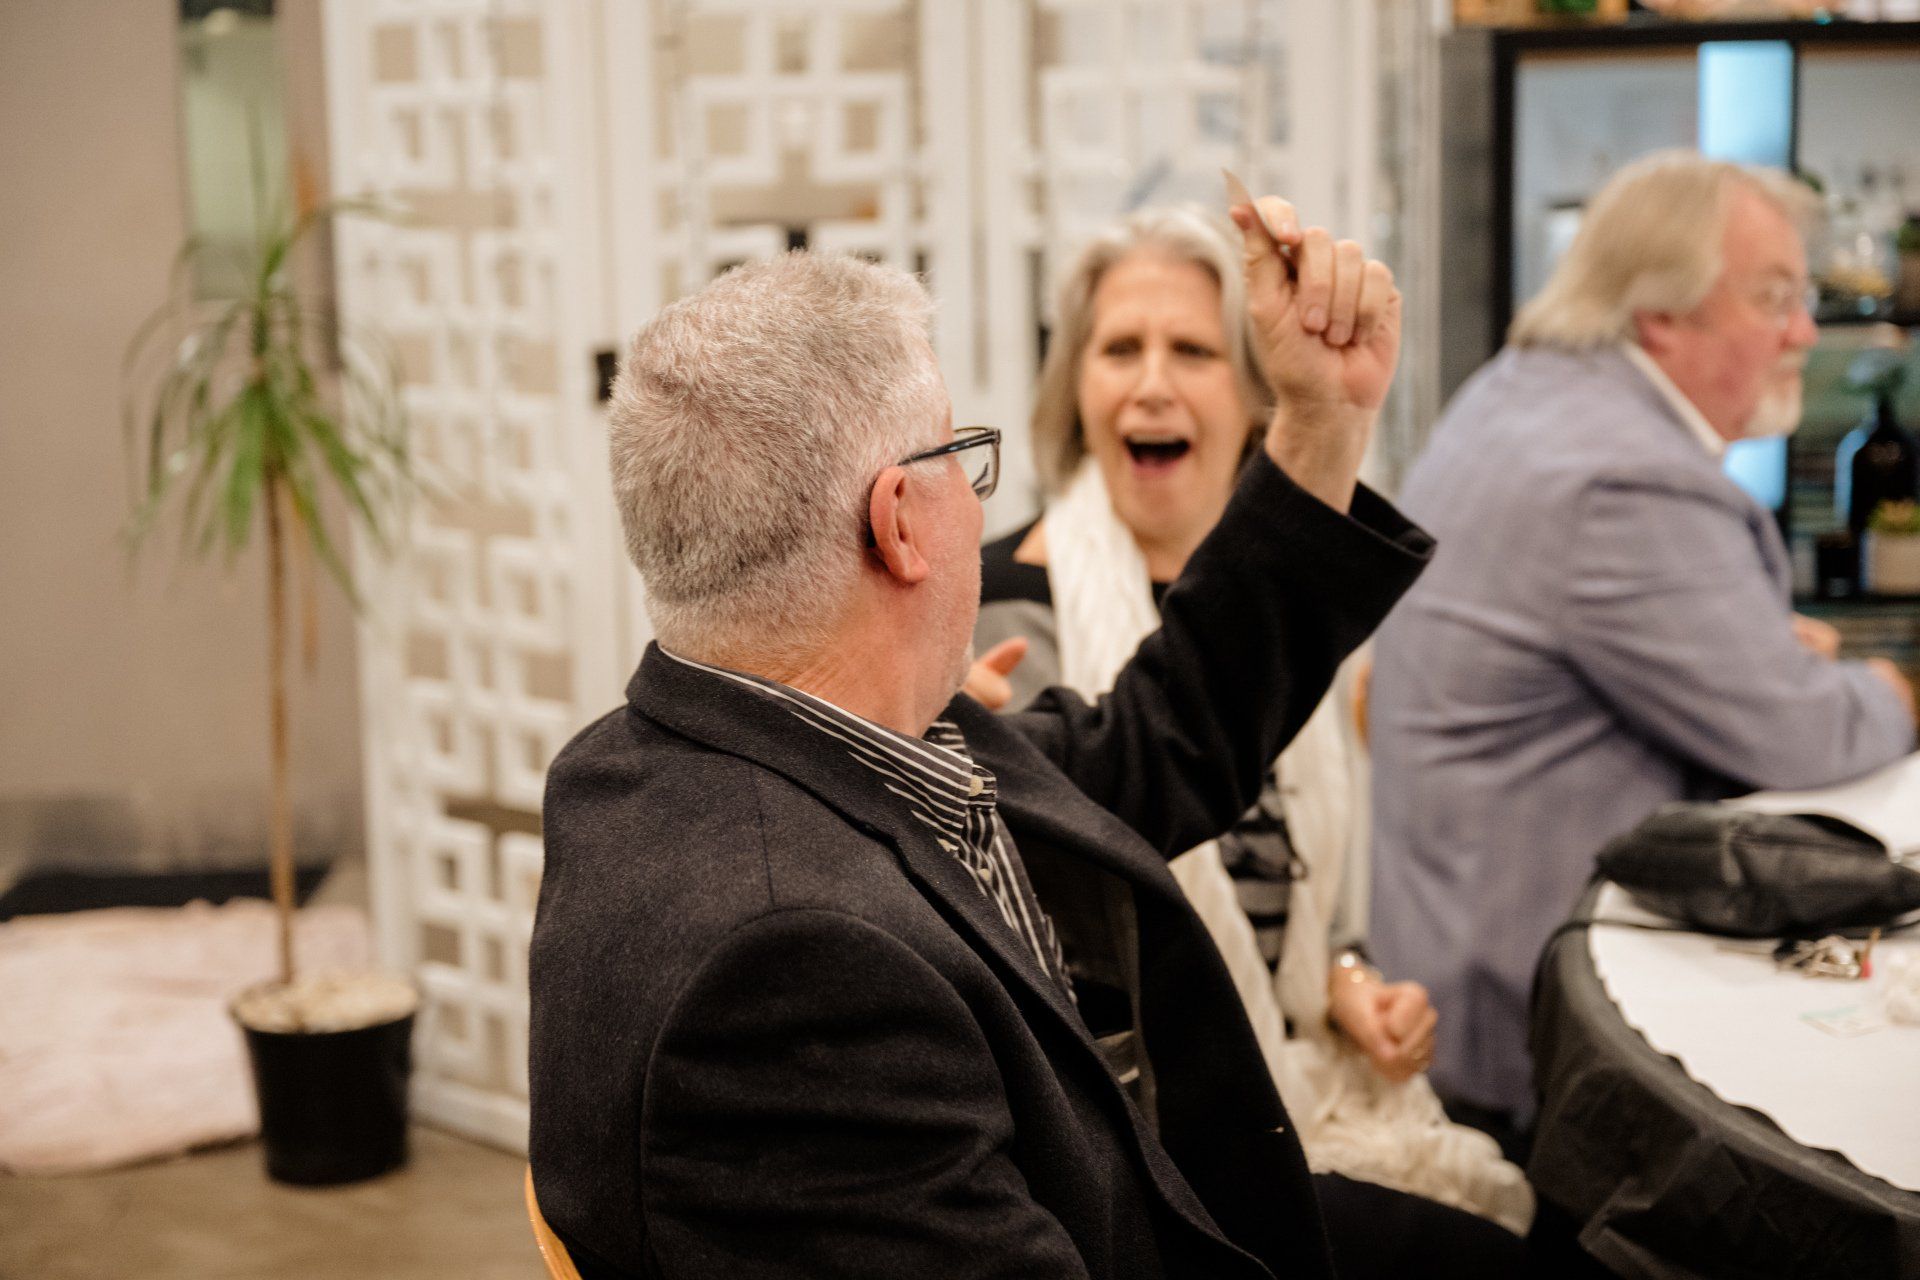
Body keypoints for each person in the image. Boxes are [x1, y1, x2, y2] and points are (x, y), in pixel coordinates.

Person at [529, 188, 1428, 1280]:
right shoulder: (795, 971)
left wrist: (1323, 419)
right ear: (901, 521)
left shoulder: (731, 742)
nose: (981, 497)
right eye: (960, 451)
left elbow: (1159, 740)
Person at [969, 206, 1533, 1254]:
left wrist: (1350, 984)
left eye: (1189, 350)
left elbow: (1306, 900)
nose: (1150, 383)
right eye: (1119, 349)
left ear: (1252, 393)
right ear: (1075, 388)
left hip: (1301, 1073)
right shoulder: (1005, 606)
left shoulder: (1287, 606)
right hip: (1140, 1133)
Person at [1367, 150, 1919, 1138]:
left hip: (1446, 955)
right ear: (1662, 314)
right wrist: (1885, 686)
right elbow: (1805, 734)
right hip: (1541, 1037)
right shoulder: (1623, 477)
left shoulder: (1526, 389)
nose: (1804, 329)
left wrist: (1757, 650)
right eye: (1774, 297)